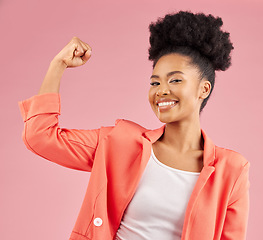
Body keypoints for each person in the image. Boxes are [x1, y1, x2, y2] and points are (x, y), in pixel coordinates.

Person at [18, 10, 250, 240]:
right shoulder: (120, 142)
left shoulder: (231, 170)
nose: (161, 90)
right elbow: (41, 137)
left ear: (204, 89)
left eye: (175, 80)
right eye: (155, 82)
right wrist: (57, 64)